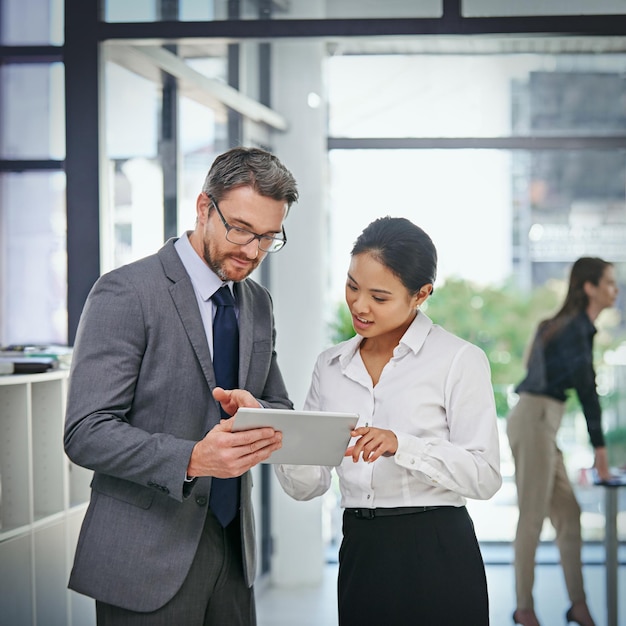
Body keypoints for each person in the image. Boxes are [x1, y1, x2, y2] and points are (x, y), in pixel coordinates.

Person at [64, 146, 298, 625]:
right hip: (144, 556)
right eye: (241, 229)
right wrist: (192, 458)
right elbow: (85, 431)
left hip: (234, 553)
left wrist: (259, 411)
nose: (253, 251)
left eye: (268, 238)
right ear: (203, 207)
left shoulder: (257, 303)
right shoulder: (126, 292)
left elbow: (278, 405)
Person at [275, 216, 502, 626]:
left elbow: (484, 477)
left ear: (421, 294)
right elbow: (309, 486)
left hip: (437, 547)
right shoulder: (329, 366)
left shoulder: (458, 360)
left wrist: (403, 445)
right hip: (361, 547)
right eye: (352, 286)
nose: (360, 305)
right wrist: (280, 438)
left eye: (379, 297)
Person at [507, 257, 619, 626]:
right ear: (589, 287)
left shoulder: (557, 326)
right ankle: (524, 607)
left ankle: (578, 604)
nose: (614, 290)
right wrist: (600, 453)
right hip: (535, 419)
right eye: (608, 283)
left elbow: (533, 368)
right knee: (533, 517)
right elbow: (588, 392)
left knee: (568, 515)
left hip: (540, 421)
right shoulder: (575, 329)